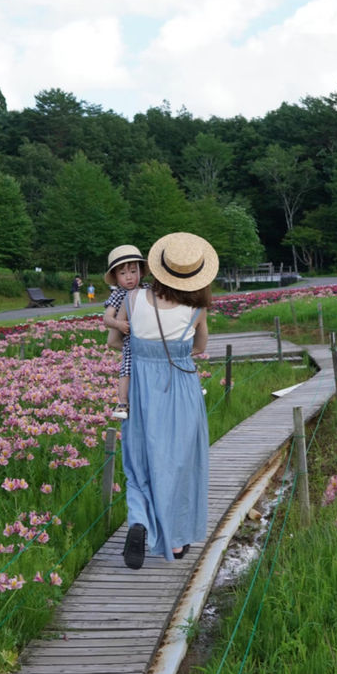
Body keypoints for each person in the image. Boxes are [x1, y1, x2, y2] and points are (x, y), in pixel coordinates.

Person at [116, 232, 218, 569]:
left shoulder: (131, 301)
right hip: (181, 391)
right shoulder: (196, 309)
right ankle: (174, 543)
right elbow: (200, 348)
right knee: (179, 465)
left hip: (141, 392)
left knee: (139, 462)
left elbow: (116, 342)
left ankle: (139, 521)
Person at [102, 245, 147, 420]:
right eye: (123, 273)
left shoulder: (148, 289)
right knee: (126, 369)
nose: (129, 277)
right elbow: (107, 318)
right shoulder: (118, 294)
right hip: (131, 338)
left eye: (133, 271)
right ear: (115, 277)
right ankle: (122, 402)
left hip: (150, 335)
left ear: (141, 272)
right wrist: (118, 324)